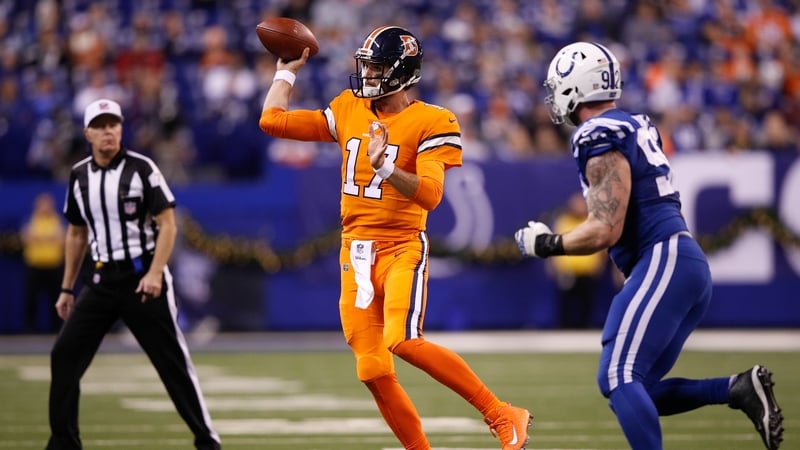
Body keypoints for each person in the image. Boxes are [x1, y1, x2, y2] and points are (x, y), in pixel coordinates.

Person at [259, 26, 532, 450]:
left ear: (403, 72)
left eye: (378, 67)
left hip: (401, 246)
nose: (368, 75)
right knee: (371, 369)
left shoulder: (433, 119)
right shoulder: (349, 106)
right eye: (367, 66)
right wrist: (286, 73)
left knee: (402, 339)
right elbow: (271, 120)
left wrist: (385, 166)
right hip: (356, 251)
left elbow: (431, 195)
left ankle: (500, 412)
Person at [514, 42, 784, 450]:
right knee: (636, 389)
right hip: (677, 261)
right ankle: (736, 388)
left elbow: (605, 227)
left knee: (617, 377)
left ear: (575, 87)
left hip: (663, 258)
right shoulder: (630, 125)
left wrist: (548, 243)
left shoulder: (597, 132)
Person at [47, 98, 220, 450]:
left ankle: (207, 440)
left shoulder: (142, 169)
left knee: (172, 363)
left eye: (113, 124)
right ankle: (64, 442)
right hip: (99, 281)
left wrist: (156, 273)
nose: (108, 131)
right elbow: (77, 232)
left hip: (143, 280)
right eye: (100, 125)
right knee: (64, 356)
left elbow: (168, 225)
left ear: (122, 128)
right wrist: (67, 289)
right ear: (87, 133)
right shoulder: (79, 175)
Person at [548, 192, 606, 329]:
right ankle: (563, 329)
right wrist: (553, 264)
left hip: (587, 272)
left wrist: (600, 265)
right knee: (566, 303)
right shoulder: (563, 221)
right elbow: (554, 244)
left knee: (586, 302)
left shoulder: (591, 222)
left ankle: (584, 329)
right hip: (568, 272)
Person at [20, 192, 65, 333]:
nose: (45, 207)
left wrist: (40, 238)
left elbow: (62, 239)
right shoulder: (31, 219)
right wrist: (49, 238)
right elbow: (26, 237)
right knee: (31, 300)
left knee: (56, 300)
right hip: (35, 266)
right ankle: (30, 329)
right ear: (37, 206)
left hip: (54, 266)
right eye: (42, 204)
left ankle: (57, 329)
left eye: (47, 204)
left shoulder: (58, 220)